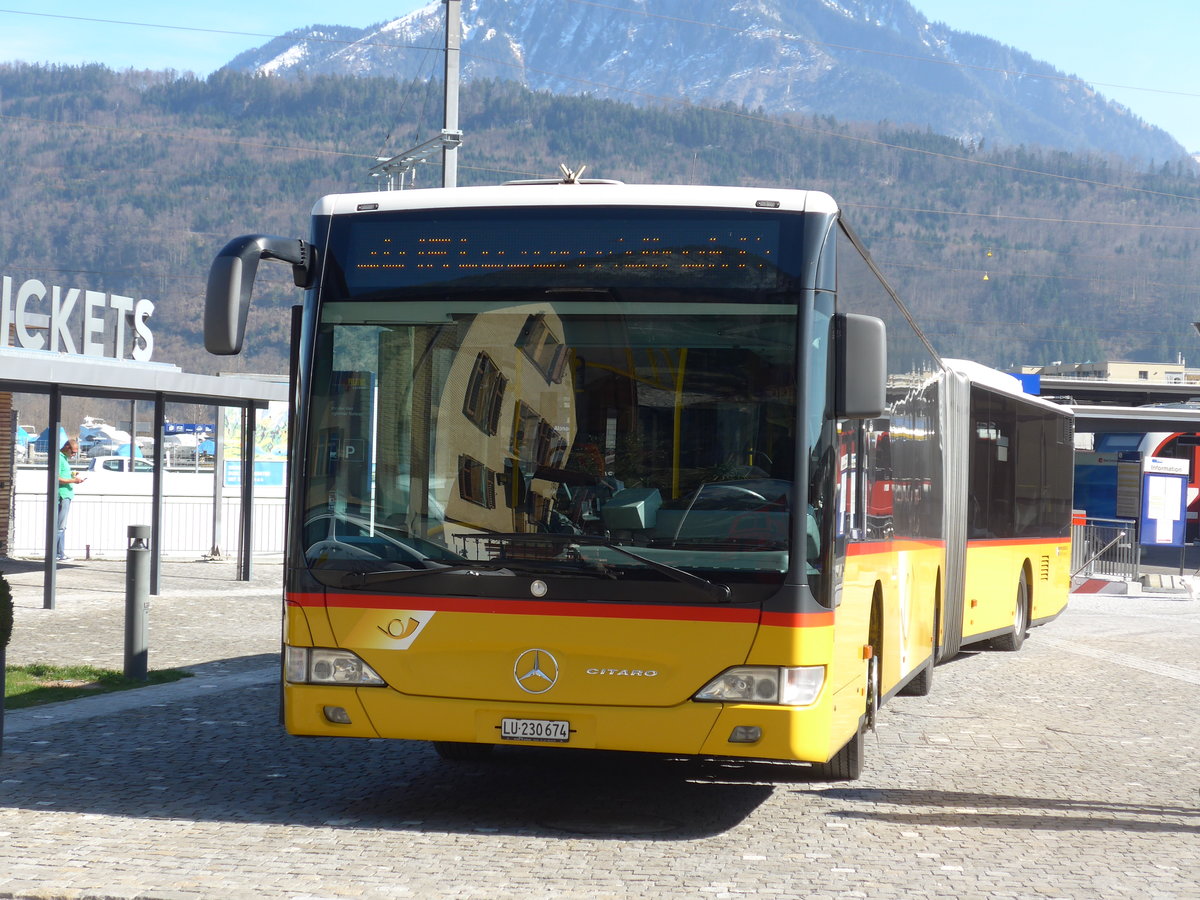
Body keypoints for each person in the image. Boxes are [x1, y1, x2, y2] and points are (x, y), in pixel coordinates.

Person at [56, 437, 85, 562]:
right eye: (73, 452)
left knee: (62, 527)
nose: (74, 455)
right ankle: (57, 553)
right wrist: (74, 480)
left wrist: (72, 475)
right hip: (63, 495)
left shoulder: (64, 459)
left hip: (66, 494)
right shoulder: (59, 458)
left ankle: (60, 552)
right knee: (60, 527)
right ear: (67, 447)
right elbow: (57, 478)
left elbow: (62, 475)